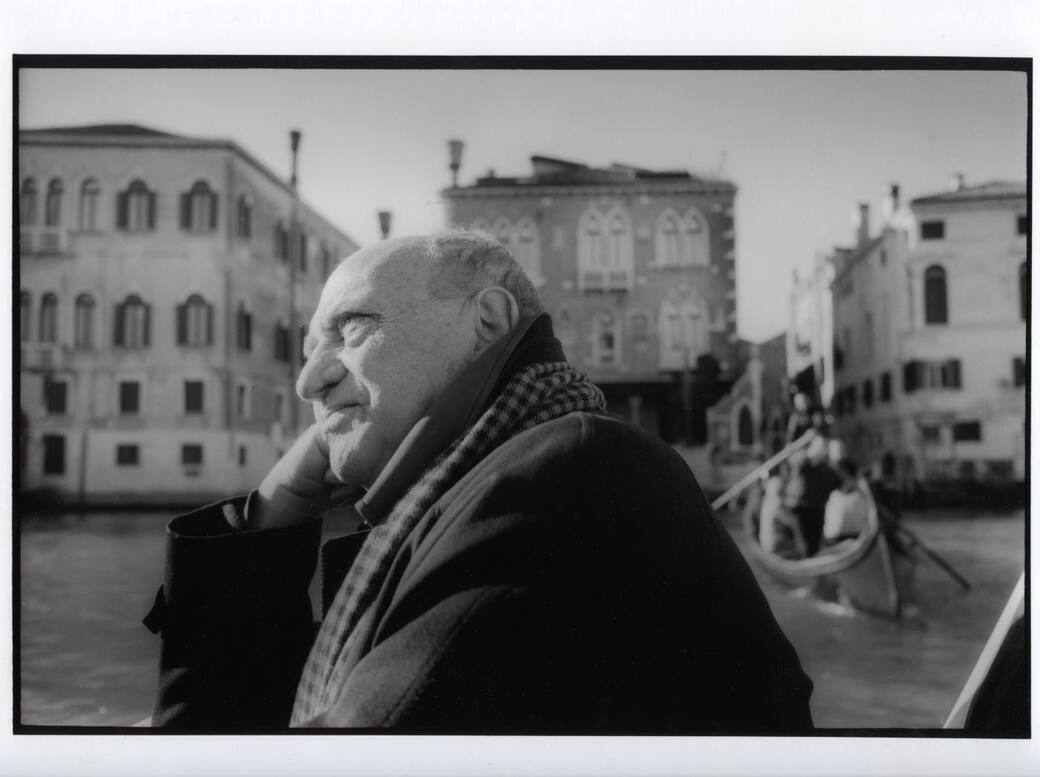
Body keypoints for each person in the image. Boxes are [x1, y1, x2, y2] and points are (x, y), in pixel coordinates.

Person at [144, 230, 813, 732]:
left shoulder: (564, 481)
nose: (309, 378)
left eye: (351, 329)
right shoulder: (512, 477)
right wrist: (270, 518)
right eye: (310, 348)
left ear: (487, 321)